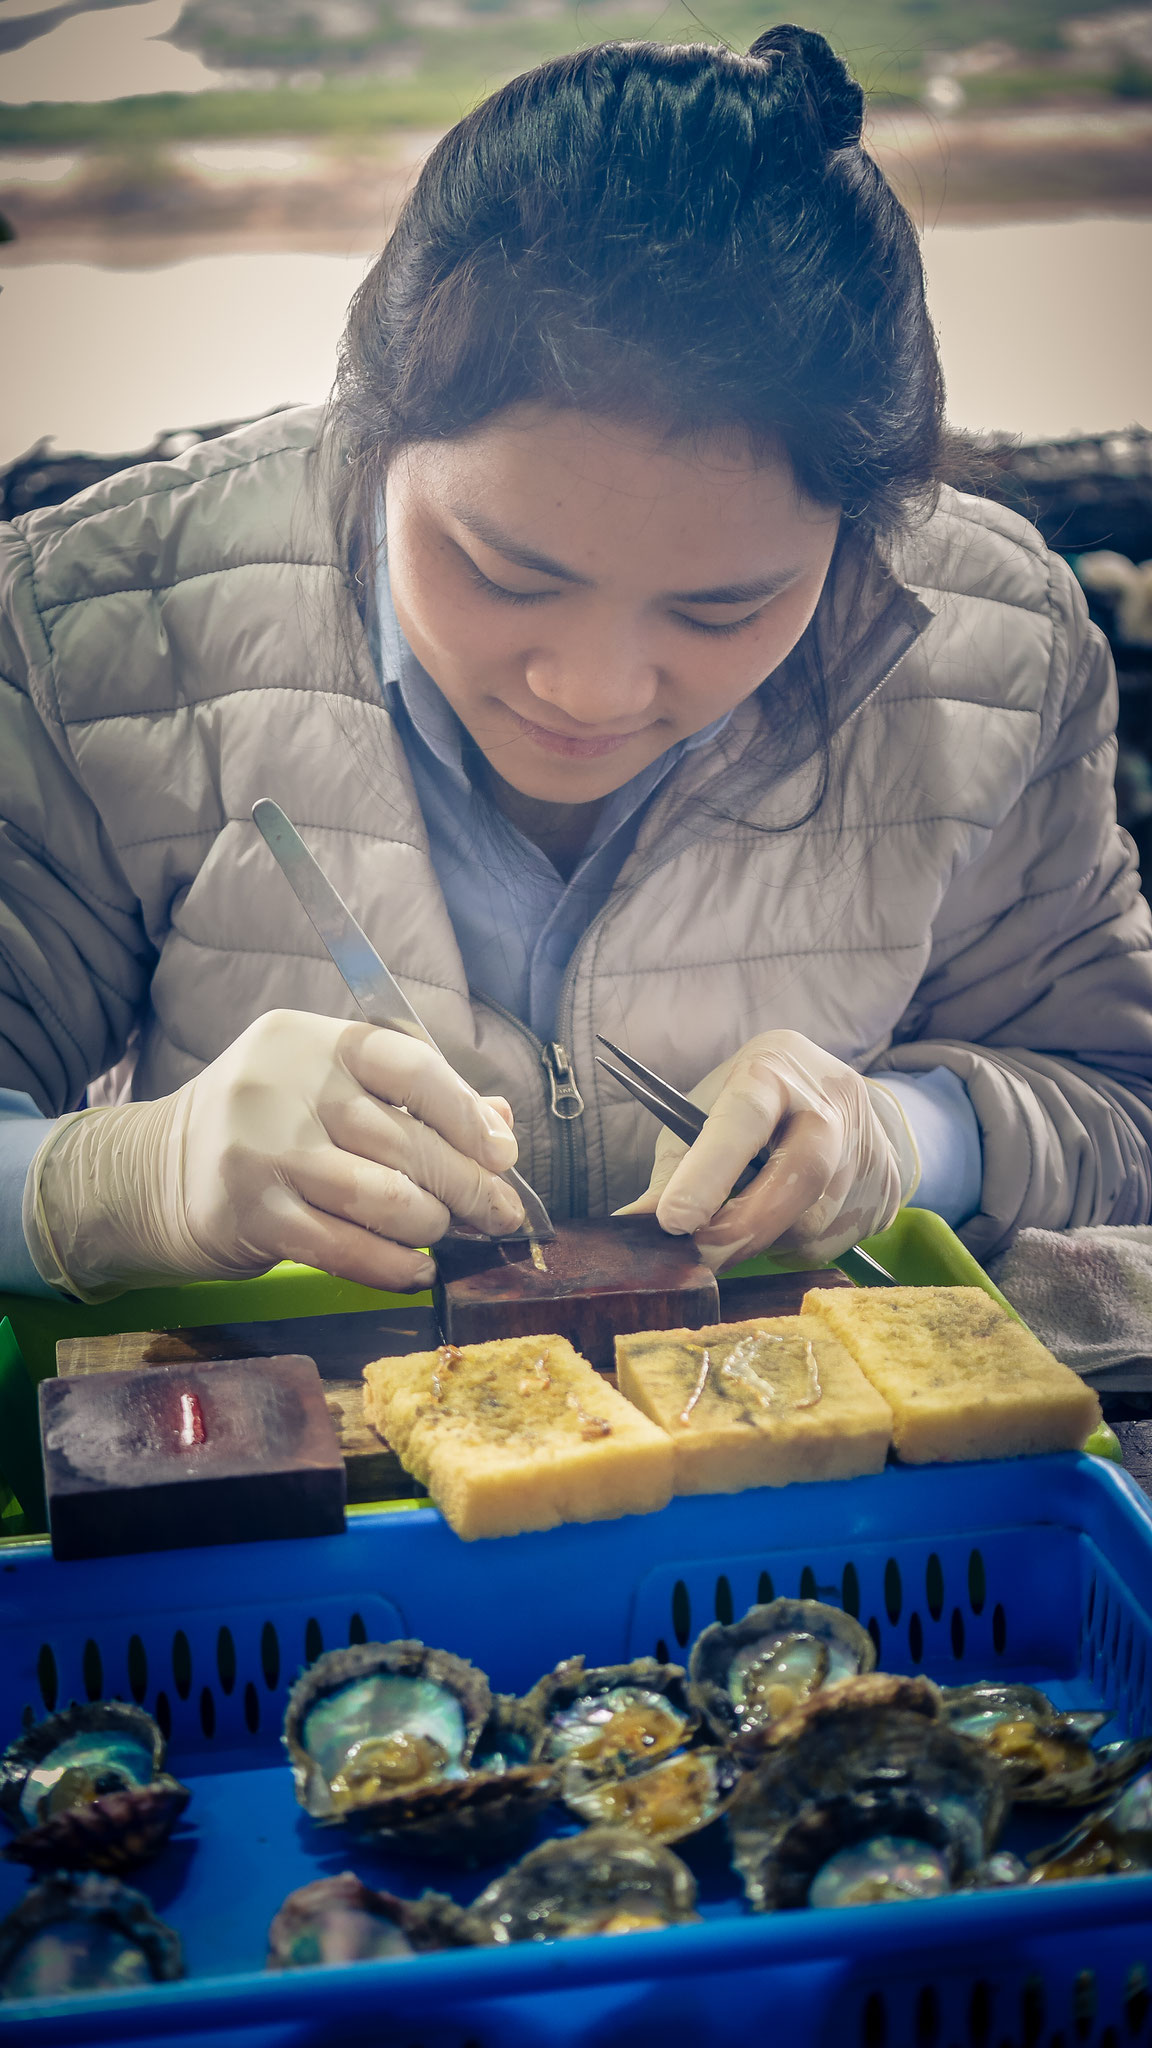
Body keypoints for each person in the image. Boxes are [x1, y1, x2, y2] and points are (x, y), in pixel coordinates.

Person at [2, 25, 1151, 1308]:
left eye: (726, 609)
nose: (593, 692)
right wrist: (119, 1178)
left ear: (867, 530)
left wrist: (909, 1137)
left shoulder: (1002, 642)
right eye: (505, 573)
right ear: (369, 439)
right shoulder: (94, 619)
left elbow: (1121, 1108)